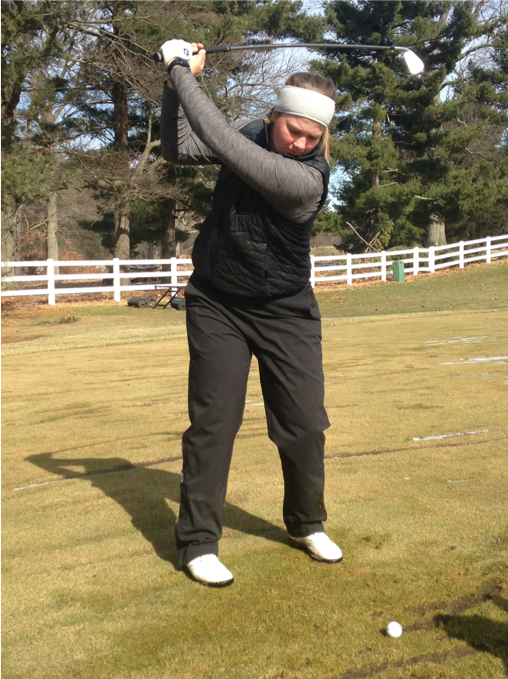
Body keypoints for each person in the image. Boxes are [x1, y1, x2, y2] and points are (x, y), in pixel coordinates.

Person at [160, 39, 343, 587]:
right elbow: (181, 148)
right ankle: (198, 542)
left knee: (305, 424)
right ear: (274, 115)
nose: (301, 142)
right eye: (293, 130)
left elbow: (219, 140)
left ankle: (306, 522)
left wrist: (179, 71)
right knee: (214, 423)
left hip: (285, 309)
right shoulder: (249, 133)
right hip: (218, 301)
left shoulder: (304, 181)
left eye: (313, 137)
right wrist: (174, 90)